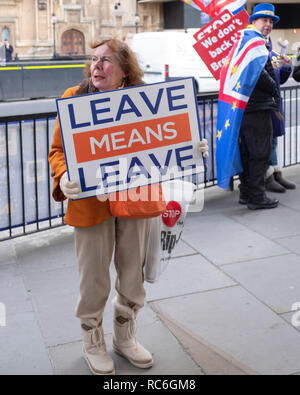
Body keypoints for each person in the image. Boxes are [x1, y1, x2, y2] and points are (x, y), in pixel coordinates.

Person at [49, 38, 208, 375]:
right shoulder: (73, 99)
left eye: (105, 60)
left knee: (133, 275)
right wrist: (63, 177)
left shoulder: (147, 100)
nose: (96, 66)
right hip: (91, 205)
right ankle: (93, 341)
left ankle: (125, 336)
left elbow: (168, 137)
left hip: (135, 202)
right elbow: (57, 151)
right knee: (93, 279)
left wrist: (191, 147)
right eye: (93, 59)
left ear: (124, 70)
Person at [238, 3, 280, 210]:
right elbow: (258, 73)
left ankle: (247, 192)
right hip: (257, 108)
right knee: (260, 153)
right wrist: (274, 88)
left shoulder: (244, 40)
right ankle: (256, 196)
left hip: (246, 108)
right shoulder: (254, 41)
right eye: (264, 20)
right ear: (253, 21)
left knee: (248, 152)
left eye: (271, 21)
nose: (268, 24)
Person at [264, 38, 296, 192]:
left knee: (274, 140)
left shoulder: (273, 54)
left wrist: (286, 66)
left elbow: (280, 79)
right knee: (264, 142)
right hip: (261, 105)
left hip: (274, 104)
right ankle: (267, 176)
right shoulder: (257, 53)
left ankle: (276, 173)